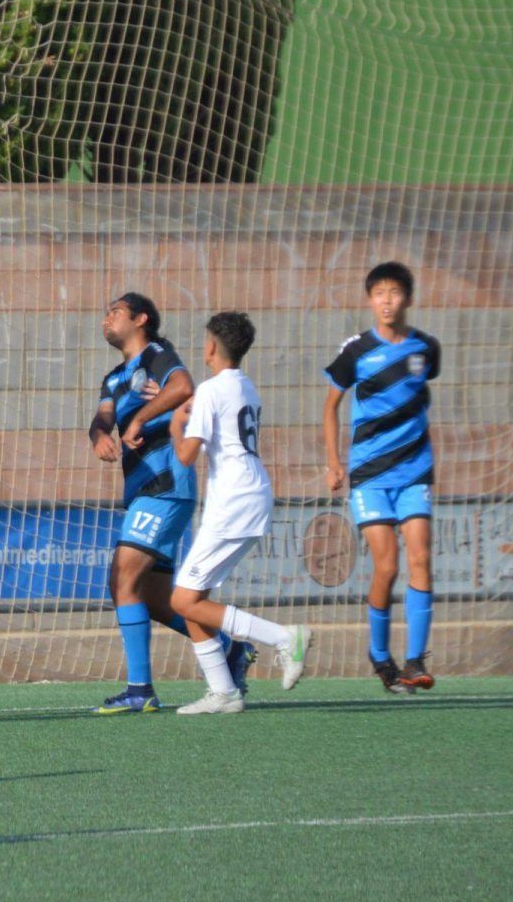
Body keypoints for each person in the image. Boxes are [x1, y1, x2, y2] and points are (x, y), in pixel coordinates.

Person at [87, 293, 251, 715]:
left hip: (164, 483)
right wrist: (100, 435)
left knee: (121, 577)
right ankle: (231, 649)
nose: (107, 318)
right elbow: (103, 416)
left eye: (116, 312)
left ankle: (140, 688)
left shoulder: (158, 354)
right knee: (158, 599)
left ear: (141, 319)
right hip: (146, 488)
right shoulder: (113, 378)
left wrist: (140, 419)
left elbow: (182, 386)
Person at [166, 312, 313, 714]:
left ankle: (284, 637)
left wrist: (177, 425)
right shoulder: (247, 387)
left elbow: (185, 456)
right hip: (249, 494)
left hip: (233, 501)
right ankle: (223, 691)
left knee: (181, 600)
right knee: (195, 598)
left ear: (211, 346)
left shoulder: (212, 390)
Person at [323, 262, 441, 694]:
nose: (387, 301)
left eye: (395, 293)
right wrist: (335, 463)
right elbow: (330, 406)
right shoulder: (356, 351)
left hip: (415, 471)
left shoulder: (425, 349)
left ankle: (414, 661)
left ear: (408, 298)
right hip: (370, 475)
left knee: (422, 559)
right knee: (387, 566)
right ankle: (378, 653)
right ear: (370, 300)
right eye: (379, 293)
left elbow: (416, 394)